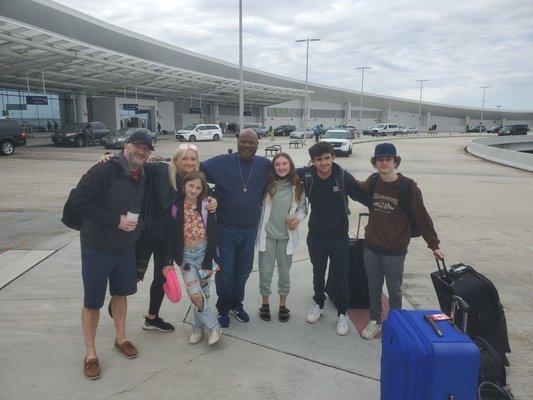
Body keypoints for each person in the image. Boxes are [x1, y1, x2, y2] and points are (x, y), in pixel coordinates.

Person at [98, 143, 217, 332]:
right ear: (176, 159)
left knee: (162, 278)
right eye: (184, 158)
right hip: (146, 234)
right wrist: (111, 157)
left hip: (167, 240)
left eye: (193, 159)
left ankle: (152, 318)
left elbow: (210, 197)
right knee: (134, 275)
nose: (188, 162)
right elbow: (134, 163)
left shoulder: (195, 180)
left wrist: (214, 202)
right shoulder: (160, 170)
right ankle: (117, 299)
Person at [71, 129, 153, 379]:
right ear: (126, 145)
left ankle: (120, 338)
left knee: (121, 295)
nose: (141, 151)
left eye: (146, 149)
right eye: (137, 146)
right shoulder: (103, 169)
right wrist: (114, 220)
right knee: (92, 302)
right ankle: (91, 353)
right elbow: (79, 201)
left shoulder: (144, 173)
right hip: (97, 247)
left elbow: (180, 164)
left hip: (125, 249)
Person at [359, 142, 445, 339]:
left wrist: (434, 245)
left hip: (394, 250)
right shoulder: (373, 181)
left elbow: (422, 217)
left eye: (388, 159)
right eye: (380, 160)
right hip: (371, 248)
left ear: (395, 162)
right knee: (373, 288)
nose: (384, 163)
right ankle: (375, 321)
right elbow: (356, 189)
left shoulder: (408, 188)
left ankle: (396, 323)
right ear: (375, 163)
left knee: (394, 290)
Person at [201, 129, 271, 327]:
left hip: (250, 230)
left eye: (252, 143)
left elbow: (287, 173)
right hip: (226, 229)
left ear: (258, 145)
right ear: (237, 141)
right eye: (244, 142)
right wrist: (210, 194)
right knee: (226, 271)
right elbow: (196, 172)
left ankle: (236, 304)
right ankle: (223, 308)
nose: (247, 146)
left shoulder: (264, 165)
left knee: (244, 270)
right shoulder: (223, 162)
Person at [297, 141, 368, 336]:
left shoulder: (343, 177)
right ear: (313, 162)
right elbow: (283, 173)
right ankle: (318, 304)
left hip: (339, 237)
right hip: (316, 236)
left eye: (327, 158)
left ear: (333, 157)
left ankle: (342, 314)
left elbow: (364, 196)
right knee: (318, 273)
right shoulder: (307, 176)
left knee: (341, 275)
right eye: (319, 159)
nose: (324, 163)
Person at [164, 171, 221, 345]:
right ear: (184, 185)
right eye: (191, 186)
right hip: (186, 258)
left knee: (205, 295)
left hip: (205, 254)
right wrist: (169, 261)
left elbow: (213, 233)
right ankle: (213, 327)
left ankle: (197, 328)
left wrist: (208, 260)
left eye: (198, 187)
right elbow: (171, 235)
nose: (194, 190)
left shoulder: (206, 205)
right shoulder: (175, 207)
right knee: (195, 295)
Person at [256, 153, 307, 322]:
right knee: (265, 272)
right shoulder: (266, 185)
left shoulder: (298, 186)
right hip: (268, 236)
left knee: (284, 273)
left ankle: (282, 305)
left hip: (286, 238)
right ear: (273, 167)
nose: (281, 167)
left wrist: (297, 220)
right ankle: (265, 304)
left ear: (290, 165)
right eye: (277, 164)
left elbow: (303, 209)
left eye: (285, 164)